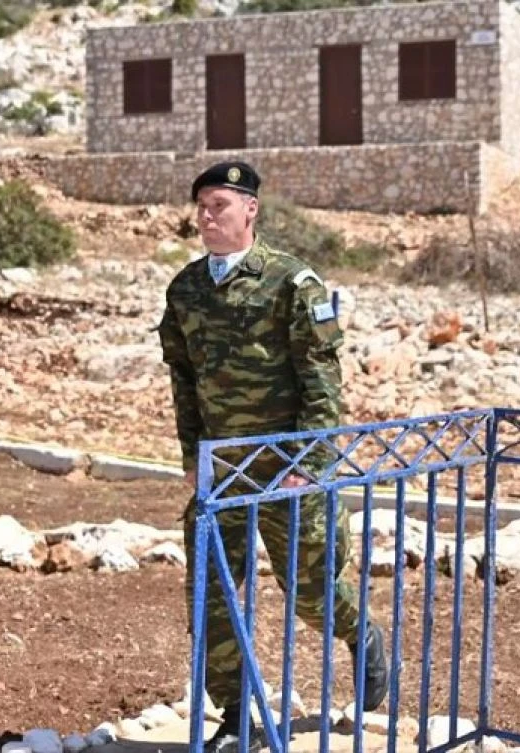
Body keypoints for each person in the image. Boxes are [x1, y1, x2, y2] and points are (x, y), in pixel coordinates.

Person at [156, 161, 389, 752]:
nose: (206, 217)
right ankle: (237, 713)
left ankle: (360, 633)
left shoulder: (292, 282)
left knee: (310, 592)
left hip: (289, 466)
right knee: (214, 594)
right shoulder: (184, 288)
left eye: (219, 206)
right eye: (201, 206)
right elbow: (182, 379)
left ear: (250, 210)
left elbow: (321, 383)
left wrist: (307, 465)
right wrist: (192, 456)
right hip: (224, 470)